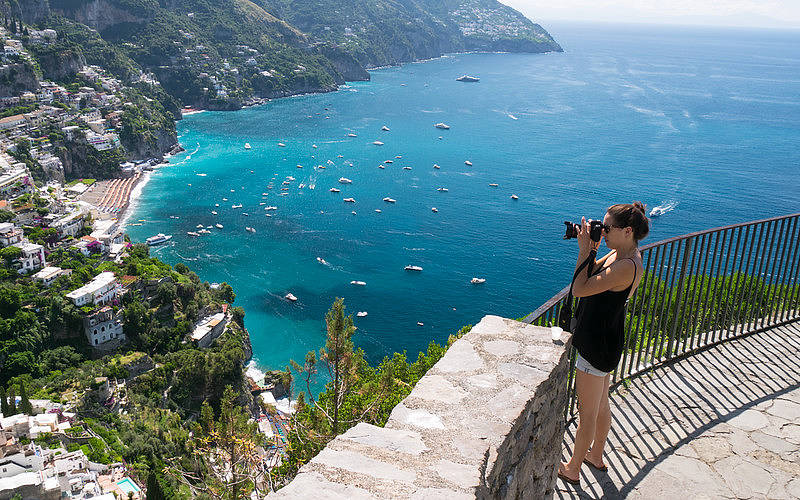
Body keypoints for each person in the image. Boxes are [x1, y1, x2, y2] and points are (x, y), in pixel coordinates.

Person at [558, 201, 649, 486]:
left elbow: (581, 288)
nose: (604, 230)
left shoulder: (625, 266)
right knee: (601, 404)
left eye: (608, 228)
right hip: (607, 339)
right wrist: (591, 246)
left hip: (596, 344)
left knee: (587, 413)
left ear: (627, 230)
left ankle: (573, 469)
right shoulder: (625, 254)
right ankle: (595, 455)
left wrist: (585, 251)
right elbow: (592, 272)